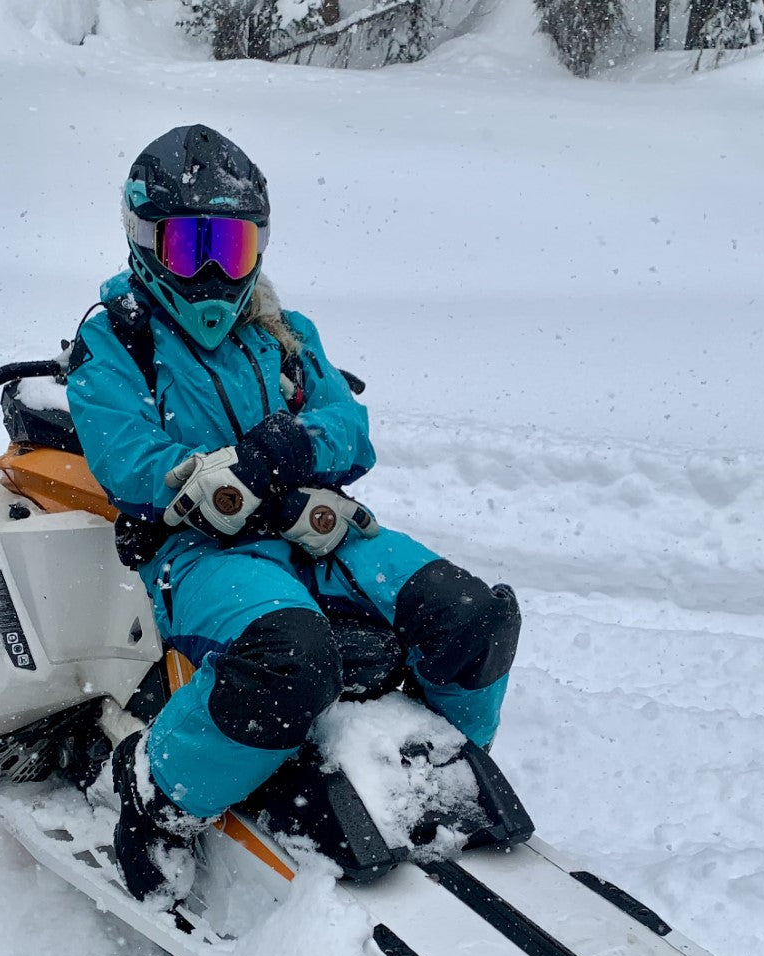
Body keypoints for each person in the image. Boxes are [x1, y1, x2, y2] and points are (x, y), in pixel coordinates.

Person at [66, 124, 520, 901]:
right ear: (144, 242)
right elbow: (128, 459)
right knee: (290, 658)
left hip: (320, 530)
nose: (211, 272)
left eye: (231, 249)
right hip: (203, 553)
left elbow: (350, 430)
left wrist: (293, 446)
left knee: (469, 616)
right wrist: (221, 472)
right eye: (189, 247)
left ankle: (445, 759)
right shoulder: (117, 341)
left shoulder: (283, 334)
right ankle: (157, 798)